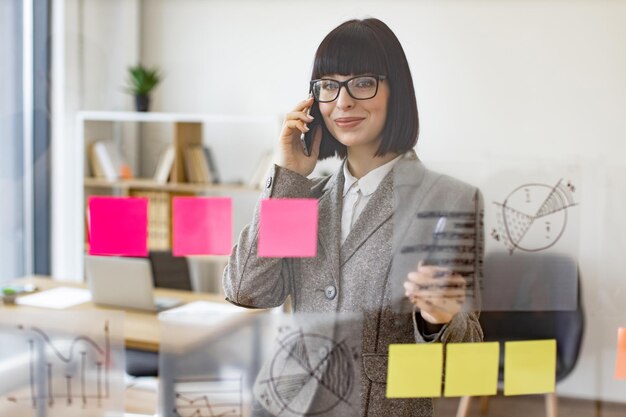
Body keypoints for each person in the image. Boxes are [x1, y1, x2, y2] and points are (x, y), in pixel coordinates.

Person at [223, 17, 484, 416]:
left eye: (362, 82)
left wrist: (438, 320)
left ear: (396, 91)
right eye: (329, 85)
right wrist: (288, 176)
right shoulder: (303, 201)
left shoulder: (449, 200)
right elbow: (248, 290)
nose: (343, 102)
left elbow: (466, 365)